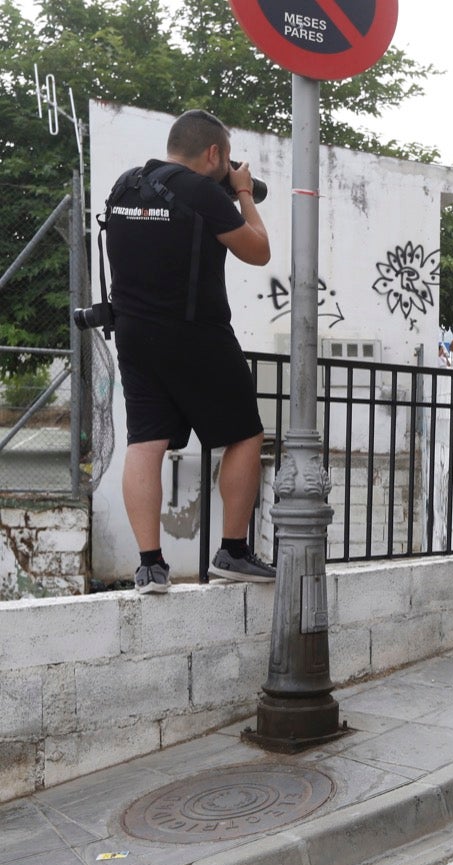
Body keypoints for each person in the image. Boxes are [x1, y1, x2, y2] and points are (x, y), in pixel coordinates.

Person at [104, 108, 276, 593]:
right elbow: (258, 249)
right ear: (215, 153)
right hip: (196, 333)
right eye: (225, 159)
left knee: (147, 442)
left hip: (133, 334)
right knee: (245, 434)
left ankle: (150, 566)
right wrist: (241, 190)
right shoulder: (202, 191)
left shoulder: (125, 186)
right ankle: (234, 552)